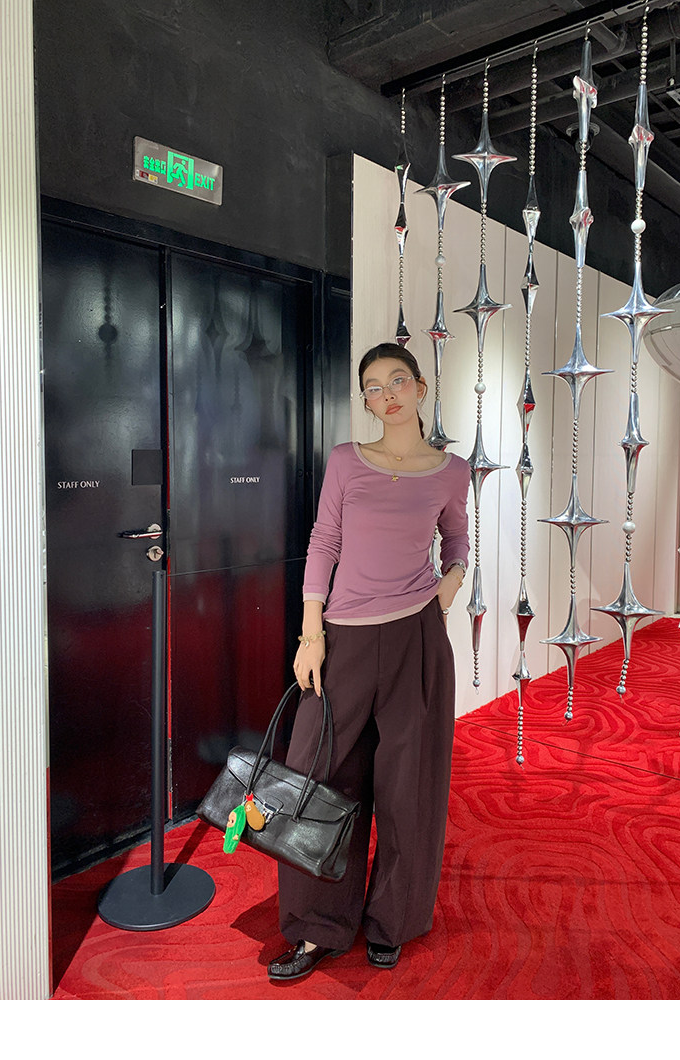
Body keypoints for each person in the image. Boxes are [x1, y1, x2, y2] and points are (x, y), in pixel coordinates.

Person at [267, 342, 470, 981]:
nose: (387, 395)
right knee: (319, 776)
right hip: (344, 638)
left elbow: (457, 539)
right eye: (374, 388)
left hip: (416, 639)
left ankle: (392, 921)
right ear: (367, 401)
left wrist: (447, 587)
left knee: (410, 785)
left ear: (420, 387)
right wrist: (310, 634)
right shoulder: (345, 461)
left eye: (397, 381)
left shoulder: (451, 471)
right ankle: (316, 926)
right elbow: (324, 541)